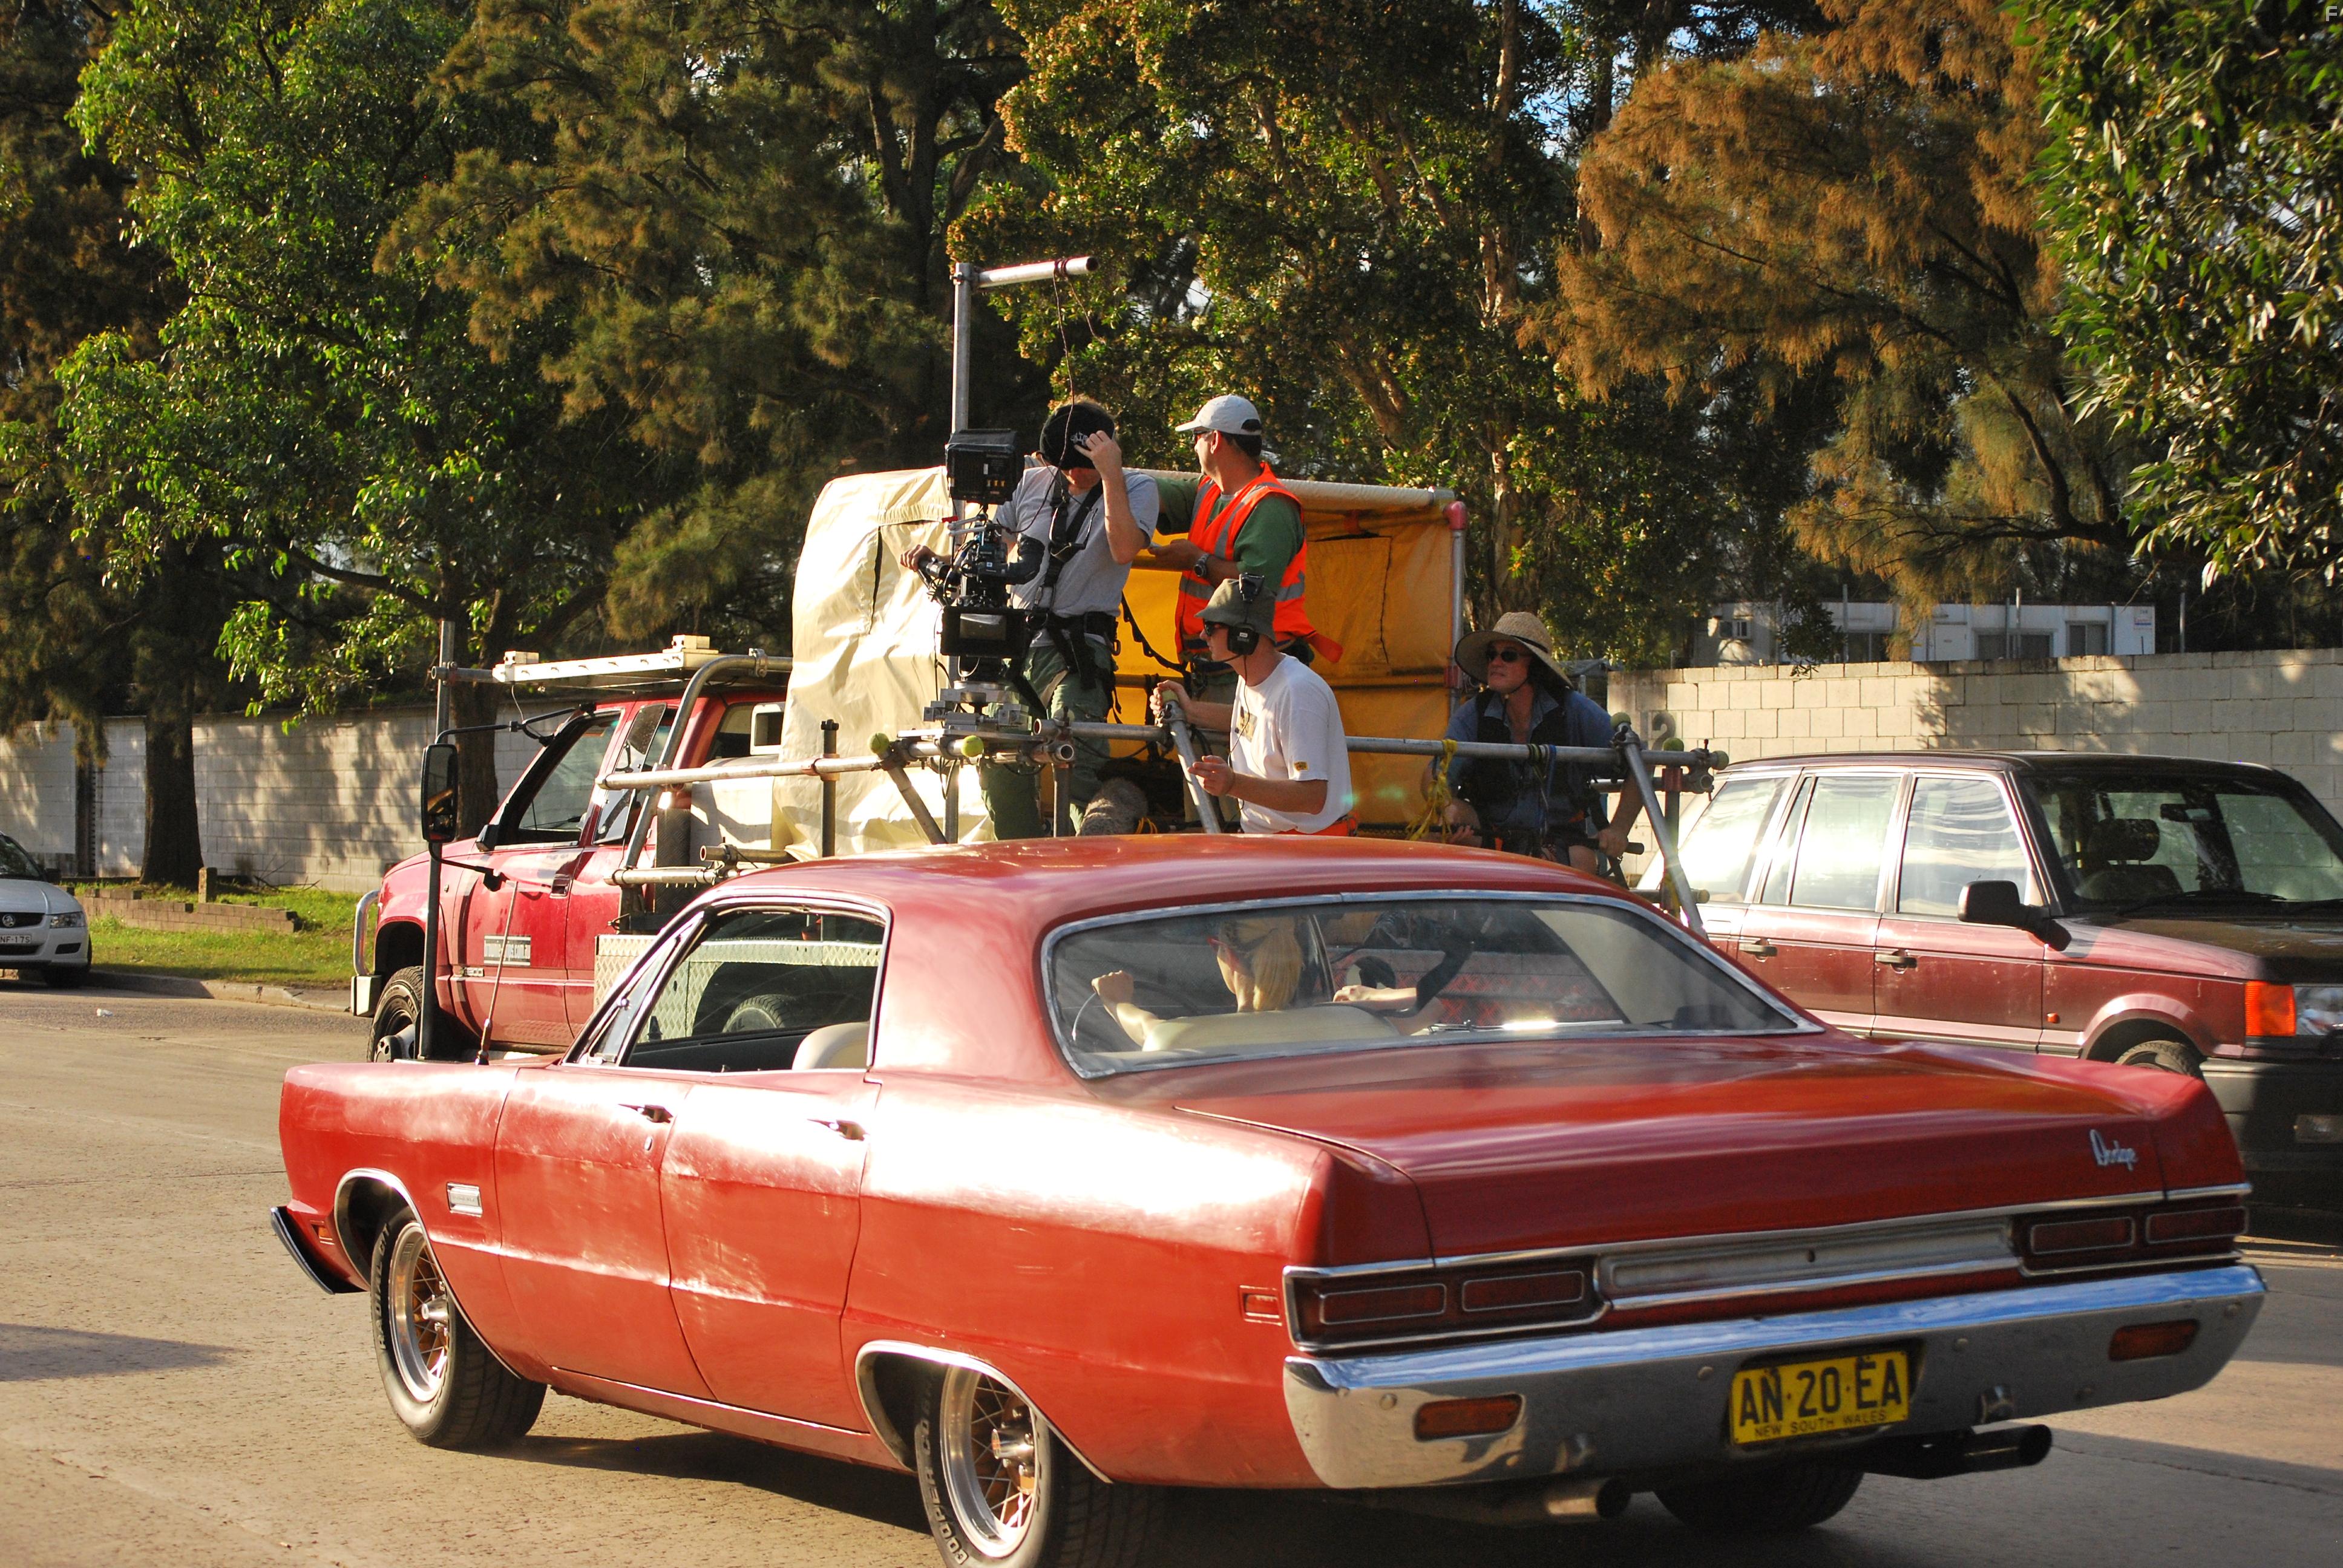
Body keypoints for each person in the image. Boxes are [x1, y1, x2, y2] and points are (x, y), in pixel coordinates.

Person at [902, 400, 1158, 837]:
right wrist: (941, 561)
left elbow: (1123, 549)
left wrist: (1110, 474)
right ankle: (1021, 861)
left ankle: (1091, 863)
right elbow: (990, 550)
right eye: (1064, 466)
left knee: (1074, 752)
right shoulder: (1031, 484)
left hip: (1080, 650)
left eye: (1082, 466)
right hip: (1020, 648)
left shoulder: (1135, 487)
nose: (1073, 475)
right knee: (1001, 764)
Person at [1147, 396, 1340, 779]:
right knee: (1206, 803)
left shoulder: (1270, 506)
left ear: (1216, 440)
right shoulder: (1208, 492)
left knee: (1241, 802)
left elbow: (1256, 586)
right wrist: (1102, 468)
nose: (1194, 445)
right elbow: (1151, 491)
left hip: (1252, 675)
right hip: (1219, 673)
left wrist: (1196, 561)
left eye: (1197, 436)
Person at [1150, 574, 1356, 835]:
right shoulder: (1253, 678)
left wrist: (1233, 783)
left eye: (1212, 626)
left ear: (1243, 636)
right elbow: (1256, 723)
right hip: (1277, 843)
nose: (1203, 634)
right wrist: (1189, 710)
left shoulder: (1298, 693)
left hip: (1306, 850)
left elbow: (1312, 797)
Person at [1438, 610, 1642, 873]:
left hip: (1560, 840)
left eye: (1508, 655)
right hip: (1490, 836)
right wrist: (1445, 807)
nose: (1495, 663)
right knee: (1434, 833)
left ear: (1534, 666)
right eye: (1492, 655)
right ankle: (1414, 914)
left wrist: (1618, 830)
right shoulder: (1472, 714)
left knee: (1582, 859)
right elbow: (1436, 775)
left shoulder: (1574, 710)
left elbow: (1640, 763)